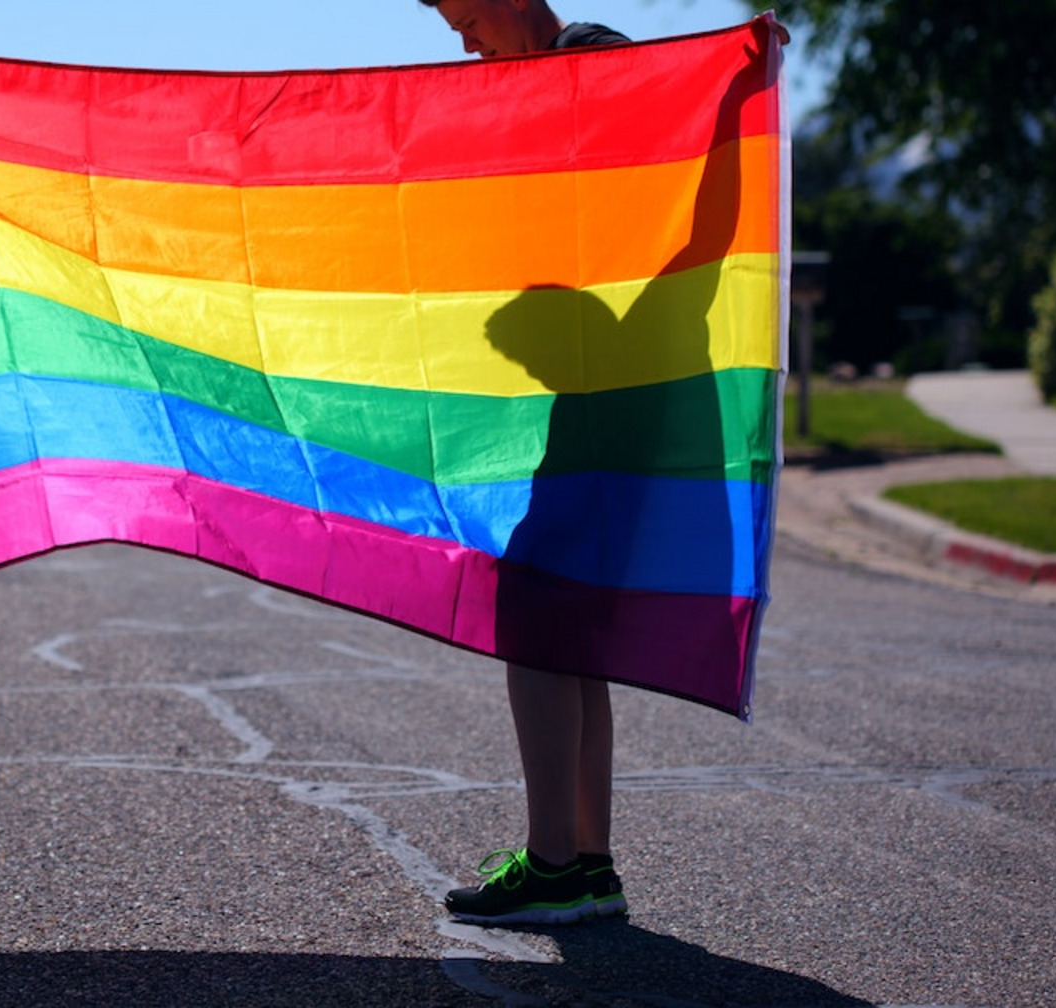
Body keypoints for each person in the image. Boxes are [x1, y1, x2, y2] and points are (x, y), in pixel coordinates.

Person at [416, 0, 632, 927]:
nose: (462, 40)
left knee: (537, 612)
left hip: (612, 392)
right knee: (571, 629)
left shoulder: (585, 68)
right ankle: (585, 864)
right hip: (606, 393)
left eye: (464, 15)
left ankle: (553, 866)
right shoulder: (560, 78)